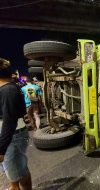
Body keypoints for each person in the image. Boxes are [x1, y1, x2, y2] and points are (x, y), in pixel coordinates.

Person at [0, 58, 32, 190]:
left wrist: (1, 149)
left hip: (12, 137)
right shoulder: (8, 89)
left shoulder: (8, 91)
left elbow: (9, 122)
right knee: (16, 171)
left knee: (17, 175)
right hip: (10, 137)